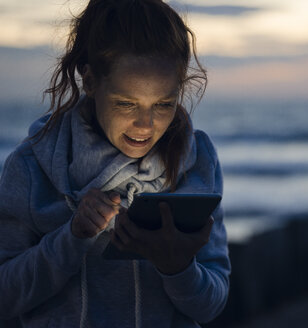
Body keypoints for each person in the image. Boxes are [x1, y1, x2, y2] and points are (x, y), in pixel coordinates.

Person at [0, 0, 231, 327]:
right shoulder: (31, 166)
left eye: (164, 104)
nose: (146, 124)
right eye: (126, 103)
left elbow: (212, 304)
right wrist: (72, 238)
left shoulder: (197, 160)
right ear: (91, 81)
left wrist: (177, 268)